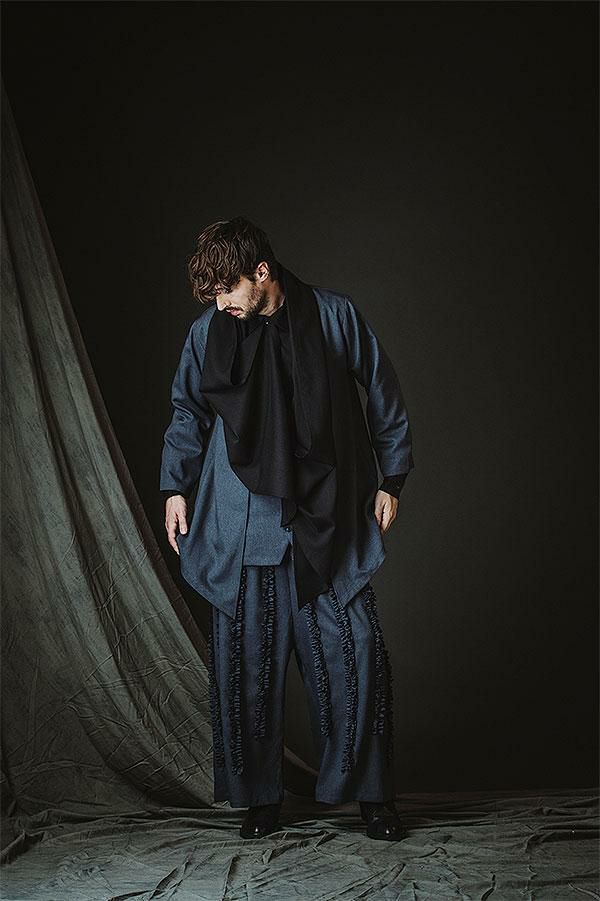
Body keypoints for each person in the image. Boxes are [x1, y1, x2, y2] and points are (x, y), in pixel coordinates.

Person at [160, 217, 415, 841]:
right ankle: (260, 800)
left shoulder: (334, 316)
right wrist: (174, 487)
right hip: (242, 523)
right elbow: (187, 410)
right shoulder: (208, 333)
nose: (220, 304)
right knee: (245, 661)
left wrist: (392, 477)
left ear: (262, 272)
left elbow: (382, 389)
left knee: (356, 652)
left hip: (326, 518)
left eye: (228, 289)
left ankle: (373, 797)